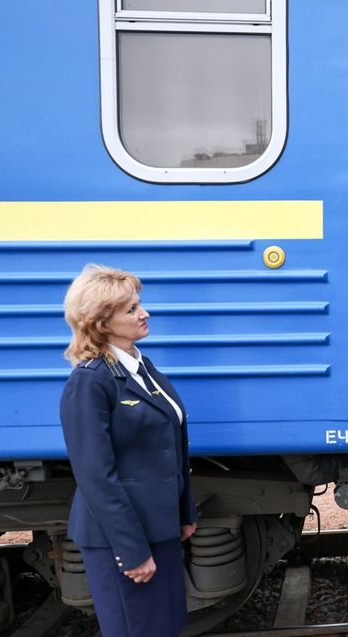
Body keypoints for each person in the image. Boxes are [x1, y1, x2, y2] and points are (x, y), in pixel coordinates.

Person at [60, 264, 198, 637]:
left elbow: (172, 446)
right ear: (101, 322)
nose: (144, 313)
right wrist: (131, 551)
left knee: (165, 627)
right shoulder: (90, 382)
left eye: (140, 304)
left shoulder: (142, 369)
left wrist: (184, 513)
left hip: (160, 530)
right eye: (131, 309)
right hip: (124, 540)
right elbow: (95, 476)